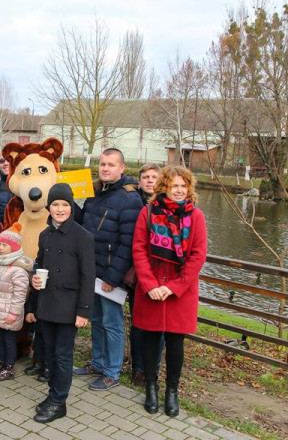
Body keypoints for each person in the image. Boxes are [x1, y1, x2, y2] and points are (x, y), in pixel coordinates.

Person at [133, 166, 207, 417]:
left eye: (183, 186)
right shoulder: (149, 212)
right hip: (151, 289)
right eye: (174, 185)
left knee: (176, 344)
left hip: (180, 292)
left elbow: (198, 256)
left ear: (189, 188)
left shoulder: (196, 216)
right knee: (151, 340)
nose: (179, 190)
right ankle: (151, 388)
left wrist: (173, 287)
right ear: (164, 187)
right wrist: (151, 285)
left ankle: (171, 392)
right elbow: (140, 249)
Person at [74, 148, 143, 391]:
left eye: (111, 165)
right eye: (102, 164)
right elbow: (83, 225)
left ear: (122, 168)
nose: (105, 168)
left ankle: (112, 372)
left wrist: (113, 277)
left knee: (112, 322)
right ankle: (98, 362)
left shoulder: (129, 199)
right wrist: (68, 202)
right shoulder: (95, 192)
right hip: (91, 270)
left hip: (110, 275)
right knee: (95, 319)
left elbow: (129, 243)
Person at [31, 183, 95, 423]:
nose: (59, 209)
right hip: (47, 303)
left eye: (65, 205)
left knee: (63, 354)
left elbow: (89, 276)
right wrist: (34, 277)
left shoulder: (83, 237)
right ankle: (52, 394)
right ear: (49, 207)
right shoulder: (44, 234)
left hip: (69, 306)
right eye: (55, 204)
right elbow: (38, 263)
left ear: (71, 207)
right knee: (49, 352)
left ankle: (59, 401)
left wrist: (84, 311)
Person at [128, 163, 162, 386]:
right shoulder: (132, 201)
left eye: (154, 177)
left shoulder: (167, 205)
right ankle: (138, 368)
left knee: (158, 327)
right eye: (145, 177)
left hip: (160, 276)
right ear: (139, 180)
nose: (150, 181)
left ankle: (153, 369)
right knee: (137, 323)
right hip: (136, 273)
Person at [0, 223, 31, 382]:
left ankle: (8, 366)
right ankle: (0, 361)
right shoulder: (1, 264)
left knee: (9, 340)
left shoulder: (18, 269)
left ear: (14, 247)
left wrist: (13, 313)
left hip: (9, 312)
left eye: (5, 245)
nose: (1, 248)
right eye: (0, 244)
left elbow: (20, 295)